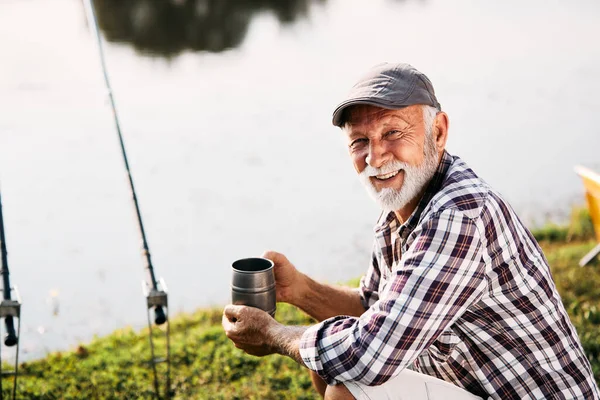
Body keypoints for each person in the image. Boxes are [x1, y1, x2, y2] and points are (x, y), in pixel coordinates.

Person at [222, 63, 600, 400]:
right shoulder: (400, 208)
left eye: (392, 133)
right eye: (360, 141)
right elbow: (377, 309)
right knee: (327, 358)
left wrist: (273, 334)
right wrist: (301, 290)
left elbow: (369, 354)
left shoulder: (458, 218)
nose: (376, 157)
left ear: (438, 131)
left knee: (345, 386)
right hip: (471, 384)